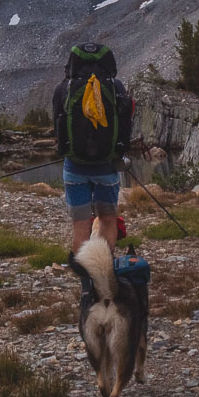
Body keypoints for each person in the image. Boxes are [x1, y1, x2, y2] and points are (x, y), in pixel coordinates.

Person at [52, 43, 134, 253]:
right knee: (108, 220)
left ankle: (83, 272)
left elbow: (57, 128)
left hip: (74, 167)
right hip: (107, 166)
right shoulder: (116, 86)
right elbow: (125, 124)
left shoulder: (63, 88)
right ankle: (104, 266)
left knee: (81, 226)